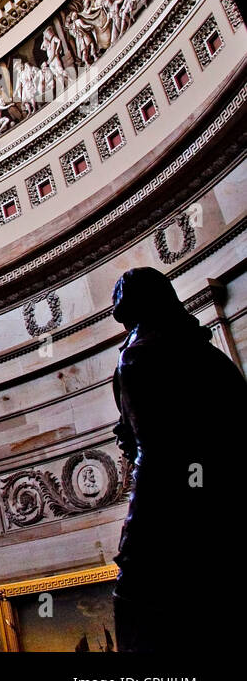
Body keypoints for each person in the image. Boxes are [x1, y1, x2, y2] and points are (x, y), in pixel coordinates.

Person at [109, 267, 241, 652]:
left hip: (168, 505)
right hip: (225, 502)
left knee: (137, 599)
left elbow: (154, 447)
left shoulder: (138, 357)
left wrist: (137, 524)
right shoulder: (209, 356)